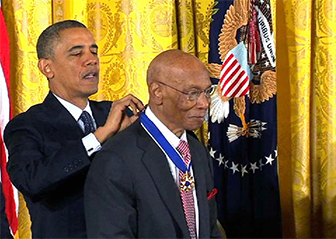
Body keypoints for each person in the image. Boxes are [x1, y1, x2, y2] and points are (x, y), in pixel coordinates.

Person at [4, 20, 144, 239]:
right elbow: (32, 181)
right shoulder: (27, 125)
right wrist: (101, 135)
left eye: (94, 51)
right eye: (77, 54)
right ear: (47, 68)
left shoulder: (117, 113)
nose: (91, 60)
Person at [84, 49, 222, 238]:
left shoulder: (196, 150)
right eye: (192, 93)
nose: (204, 103)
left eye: (207, 92)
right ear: (157, 92)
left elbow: (210, 228)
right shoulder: (116, 159)